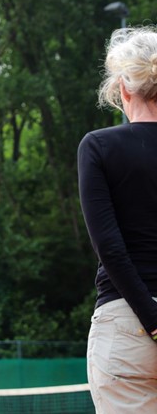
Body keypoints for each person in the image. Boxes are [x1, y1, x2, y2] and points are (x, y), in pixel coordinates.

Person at [78, 26, 157, 413]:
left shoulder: (98, 147)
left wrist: (152, 319)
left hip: (126, 324)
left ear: (123, 90)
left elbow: (110, 246)